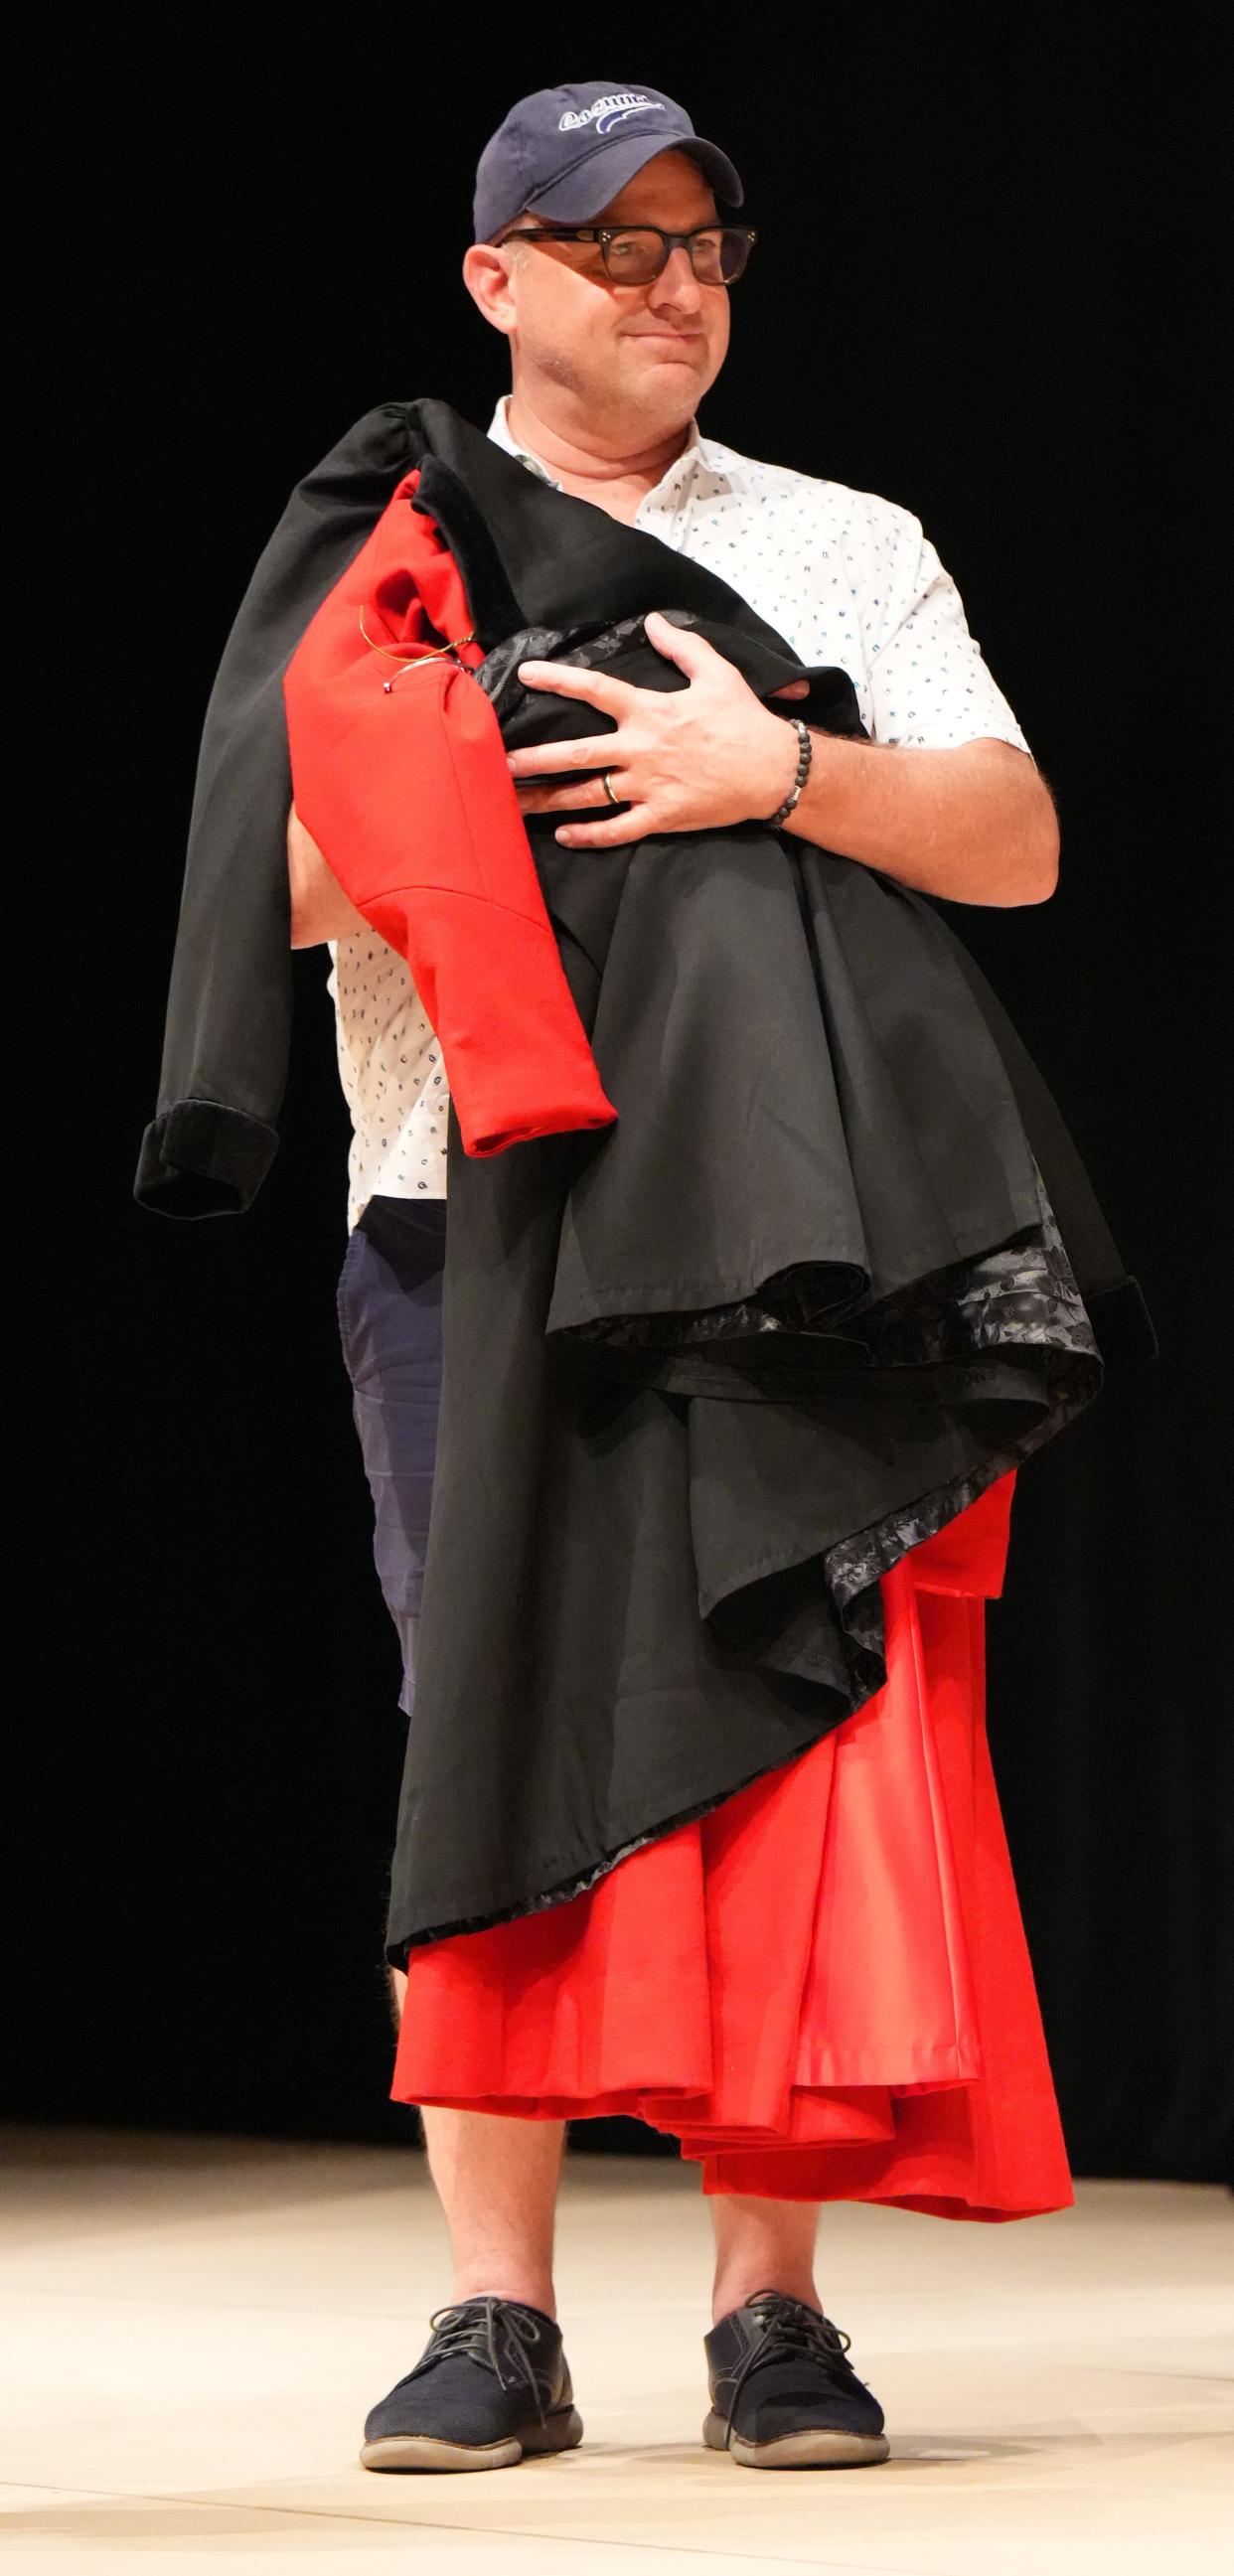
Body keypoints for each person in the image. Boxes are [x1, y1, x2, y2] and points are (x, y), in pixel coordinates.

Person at [285, 80, 1062, 2477]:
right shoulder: (397, 543)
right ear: (494, 280)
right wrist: (465, 761)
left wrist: (778, 769)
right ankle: (493, 2313)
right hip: (473, 1210)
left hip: (788, 1230)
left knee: (799, 1729)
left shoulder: (840, 546)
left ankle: (771, 2315)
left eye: (704, 238)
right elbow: (283, 893)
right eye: (610, 246)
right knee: (489, 1713)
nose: (674, 283)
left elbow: (1017, 843)